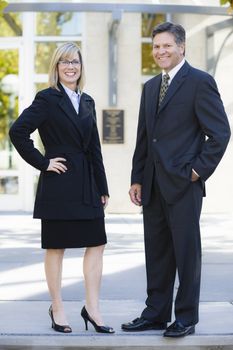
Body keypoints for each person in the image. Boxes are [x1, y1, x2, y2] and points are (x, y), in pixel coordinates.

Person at [121, 22, 231, 338]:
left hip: (184, 183)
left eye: (166, 45)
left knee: (186, 253)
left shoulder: (200, 82)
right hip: (153, 184)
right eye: (156, 46)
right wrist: (137, 178)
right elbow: (145, 138)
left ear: (182, 47)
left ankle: (185, 317)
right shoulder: (150, 87)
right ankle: (155, 313)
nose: (160, 52)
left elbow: (220, 133)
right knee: (156, 252)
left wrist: (196, 171)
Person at [9, 42, 114, 334]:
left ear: (81, 68)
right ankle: (57, 307)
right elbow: (17, 131)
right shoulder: (46, 99)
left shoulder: (88, 101)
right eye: (65, 62)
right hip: (59, 185)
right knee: (56, 247)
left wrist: (102, 185)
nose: (71, 67)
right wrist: (43, 163)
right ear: (56, 67)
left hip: (87, 185)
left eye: (76, 62)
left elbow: (94, 147)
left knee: (97, 243)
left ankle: (92, 309)